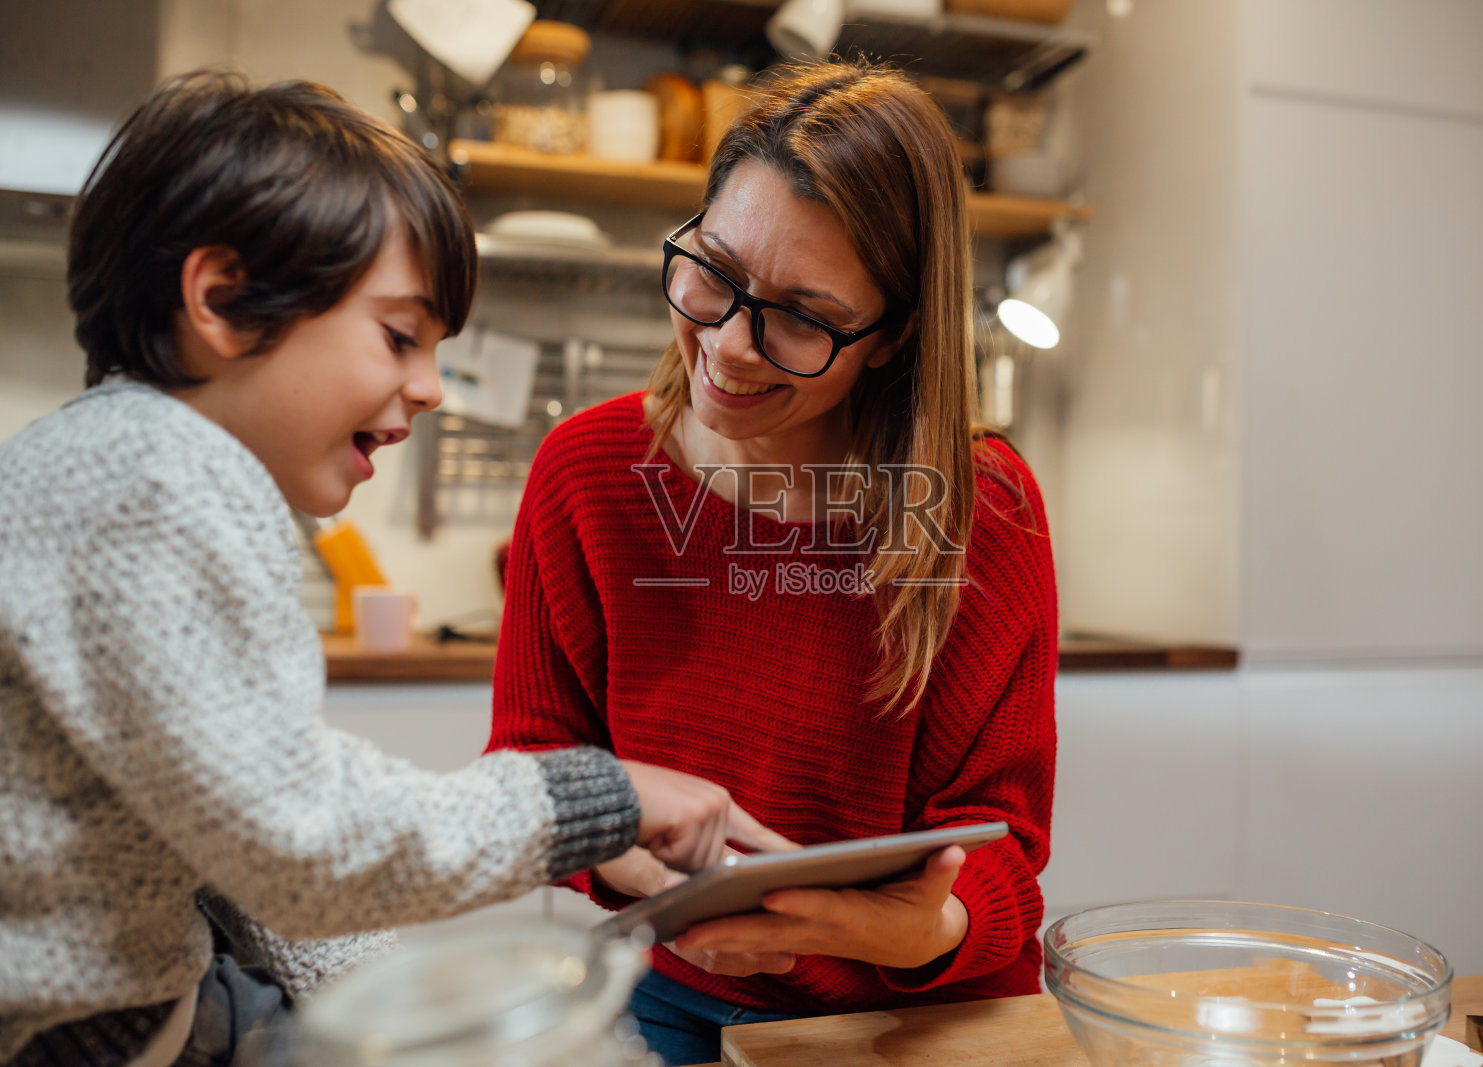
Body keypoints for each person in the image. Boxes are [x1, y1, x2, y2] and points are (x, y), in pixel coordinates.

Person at [0, 73, 790, 1067]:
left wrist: (370, 1003)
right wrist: (597, 798)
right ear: (222, 299)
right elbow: (303, 835)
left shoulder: (125, 463)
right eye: (399, 335)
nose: (428, 389)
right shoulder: (152, 484)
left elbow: (238, 845)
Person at [489, 60, 1059, 1065]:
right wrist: (630, 861)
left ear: (894, 336)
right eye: (712, 269)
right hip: (671, 993)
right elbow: (533, 766)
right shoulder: (585, 471)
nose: (731, 343)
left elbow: (1001, 846)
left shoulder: (985, 512)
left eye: (800, 314)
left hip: (918, 1011)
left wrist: (922, 928)